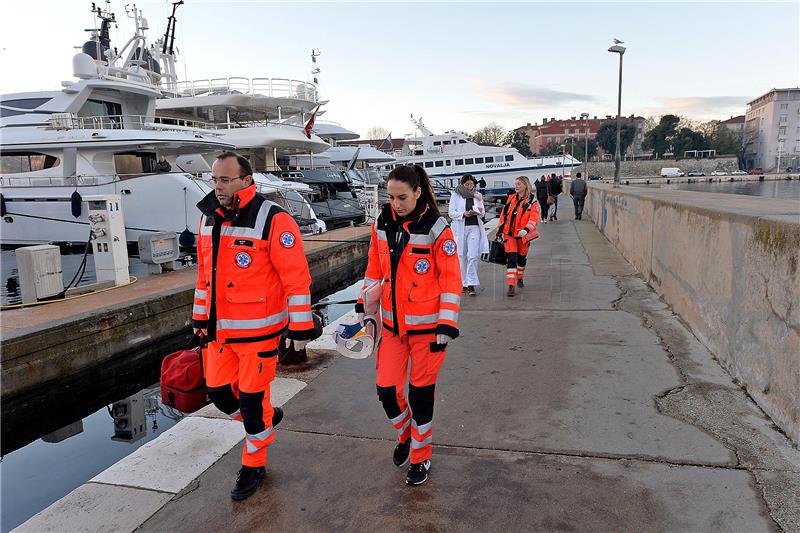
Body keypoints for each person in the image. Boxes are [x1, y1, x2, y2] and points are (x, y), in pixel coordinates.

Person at [192, 151, 317, 501]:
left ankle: (254, 463)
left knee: (250, 401)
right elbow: (205, 278)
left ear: (246, 180)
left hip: (259, 334)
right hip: (220, 333)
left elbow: (296, 279)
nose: (218, 186)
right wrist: (200, 318)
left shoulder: (273, 219)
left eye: (225, 179)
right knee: (218, 394)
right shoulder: (208, 218)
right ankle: (265, 418)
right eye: (214, 179)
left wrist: (300, 327)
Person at [355, 164, 461, 486]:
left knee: (421, 397)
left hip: (429, 333)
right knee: (386, 391)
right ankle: (405, 434)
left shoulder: (437, 228)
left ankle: (420, 454)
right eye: (390, 197)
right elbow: (375, 268)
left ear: (417, 192)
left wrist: (446, 324)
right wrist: (365, 302)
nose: (395, 204)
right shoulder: (382, 223)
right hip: (391, 328)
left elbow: (451, 280)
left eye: (402, 197)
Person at [497, 176, 541, 297]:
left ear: (525, 185)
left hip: (523, 236)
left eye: (519, 184)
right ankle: (511, 285)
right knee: (511, 258)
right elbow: (503, 215)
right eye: (516, 184)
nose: (516, 186)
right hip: (509, 234)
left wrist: (526, 230)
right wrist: (499, 230)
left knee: (521, 259)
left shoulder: (533, 202)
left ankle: (520, 277)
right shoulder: (511, 199)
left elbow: (534, 219)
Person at [449, 174, 489, 296]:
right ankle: (463, 282)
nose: (469, 187)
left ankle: (471, 283)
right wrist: (463, 214)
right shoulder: (456, 195)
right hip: (461, 228)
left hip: (474, 228)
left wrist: (480, 212)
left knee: (472, 255)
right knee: (461, 256)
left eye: (471, 184)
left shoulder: (477, 196)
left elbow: (482, 213)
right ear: (462, 184)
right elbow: (451, 213)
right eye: (467, 184)